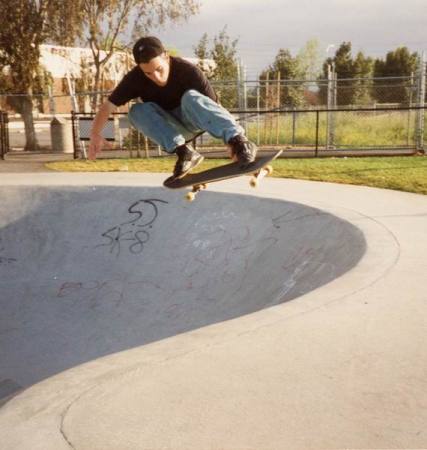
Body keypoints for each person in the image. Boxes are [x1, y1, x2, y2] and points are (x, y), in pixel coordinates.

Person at [88, 36, 257, 178]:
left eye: (159, 69)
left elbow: (213, 108)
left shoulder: (188, 71)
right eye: (148, 73)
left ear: (166, 57)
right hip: (173, 128)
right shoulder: (134, 79)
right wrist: (95, 133)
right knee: (135, 111)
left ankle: (240, 143)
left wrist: (231, 143)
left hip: (195, 120)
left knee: (190, 97)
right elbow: (107, 107)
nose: (155, 77)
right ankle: (185, 153)